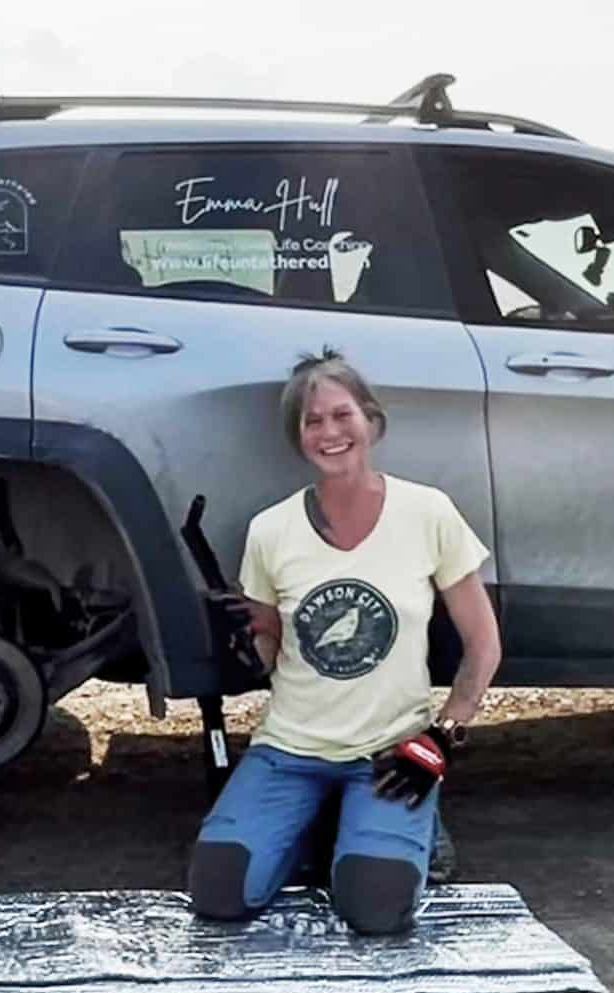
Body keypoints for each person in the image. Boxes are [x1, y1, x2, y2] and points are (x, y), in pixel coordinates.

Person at [188, 348, 502, 934]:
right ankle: (316, 819)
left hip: (389, 750)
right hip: (289, 750)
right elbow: (267, 654)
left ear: (371, 420)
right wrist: (236, 642)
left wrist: (440, 740)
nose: (330, 432)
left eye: (342, 415)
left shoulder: (428, 513)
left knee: (375, 909)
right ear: (298, 437)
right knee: (218, 893)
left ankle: (404, 821)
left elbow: (483, 646)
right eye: (312, 421)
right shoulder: (270, 530)